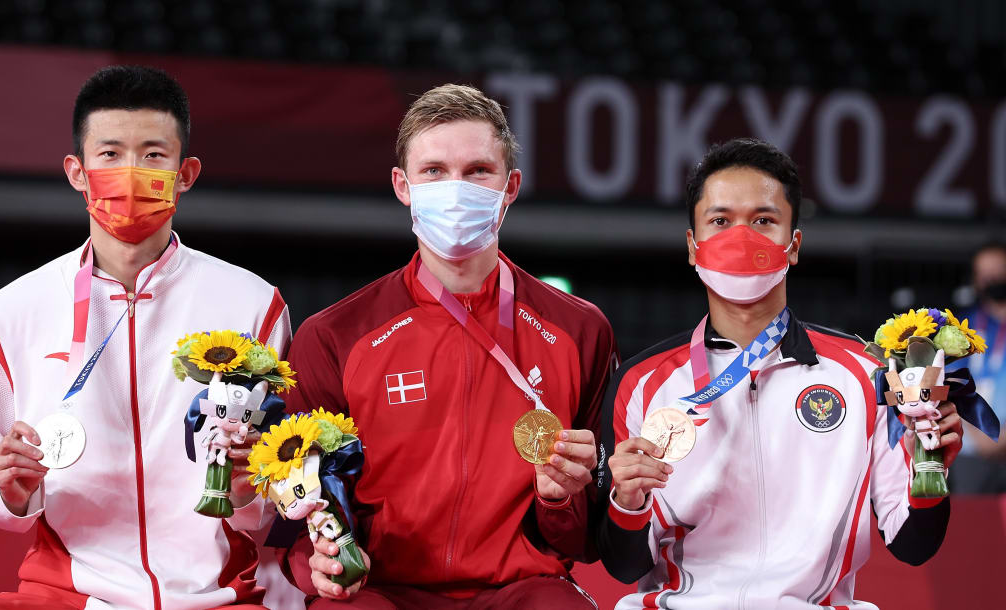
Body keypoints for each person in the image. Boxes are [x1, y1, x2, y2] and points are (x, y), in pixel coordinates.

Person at [0, 65, 290, 609]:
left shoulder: (254, 306)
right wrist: (10, 491)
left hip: (216, 598)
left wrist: (248, 488)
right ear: (77, 171)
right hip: (63, 597)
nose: (131, 173)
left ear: (186, 173)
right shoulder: (11, 310)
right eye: (110, 154)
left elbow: (280, 497)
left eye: (153, 156)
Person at [275, 84, 617, 608]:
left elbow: (586, 542)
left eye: (478, 171)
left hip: (519, 589)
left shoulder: (579, 330)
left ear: (511, 187)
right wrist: (315, 562)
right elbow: (292, 508)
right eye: (434, 171)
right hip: (381, 588)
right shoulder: (334, 336)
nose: (456, 188)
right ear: (402, 185)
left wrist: (561, 500)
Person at [595, 138, 962, 609]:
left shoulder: (866, 373)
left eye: (763, 221)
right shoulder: (641, 382)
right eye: (720, 221)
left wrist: (928, 475)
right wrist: (628, 502)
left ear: (794, 245)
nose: (741, 237)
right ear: (693, 245)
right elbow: (623, 566)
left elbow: (913, 546)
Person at [948, 242, 1006, 493]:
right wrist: (982, 434)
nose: (991, 278)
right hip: (971, 455)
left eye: (997, 270)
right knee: (974, 529)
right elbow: (947, 387)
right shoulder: (964, 330)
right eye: (984, 273)